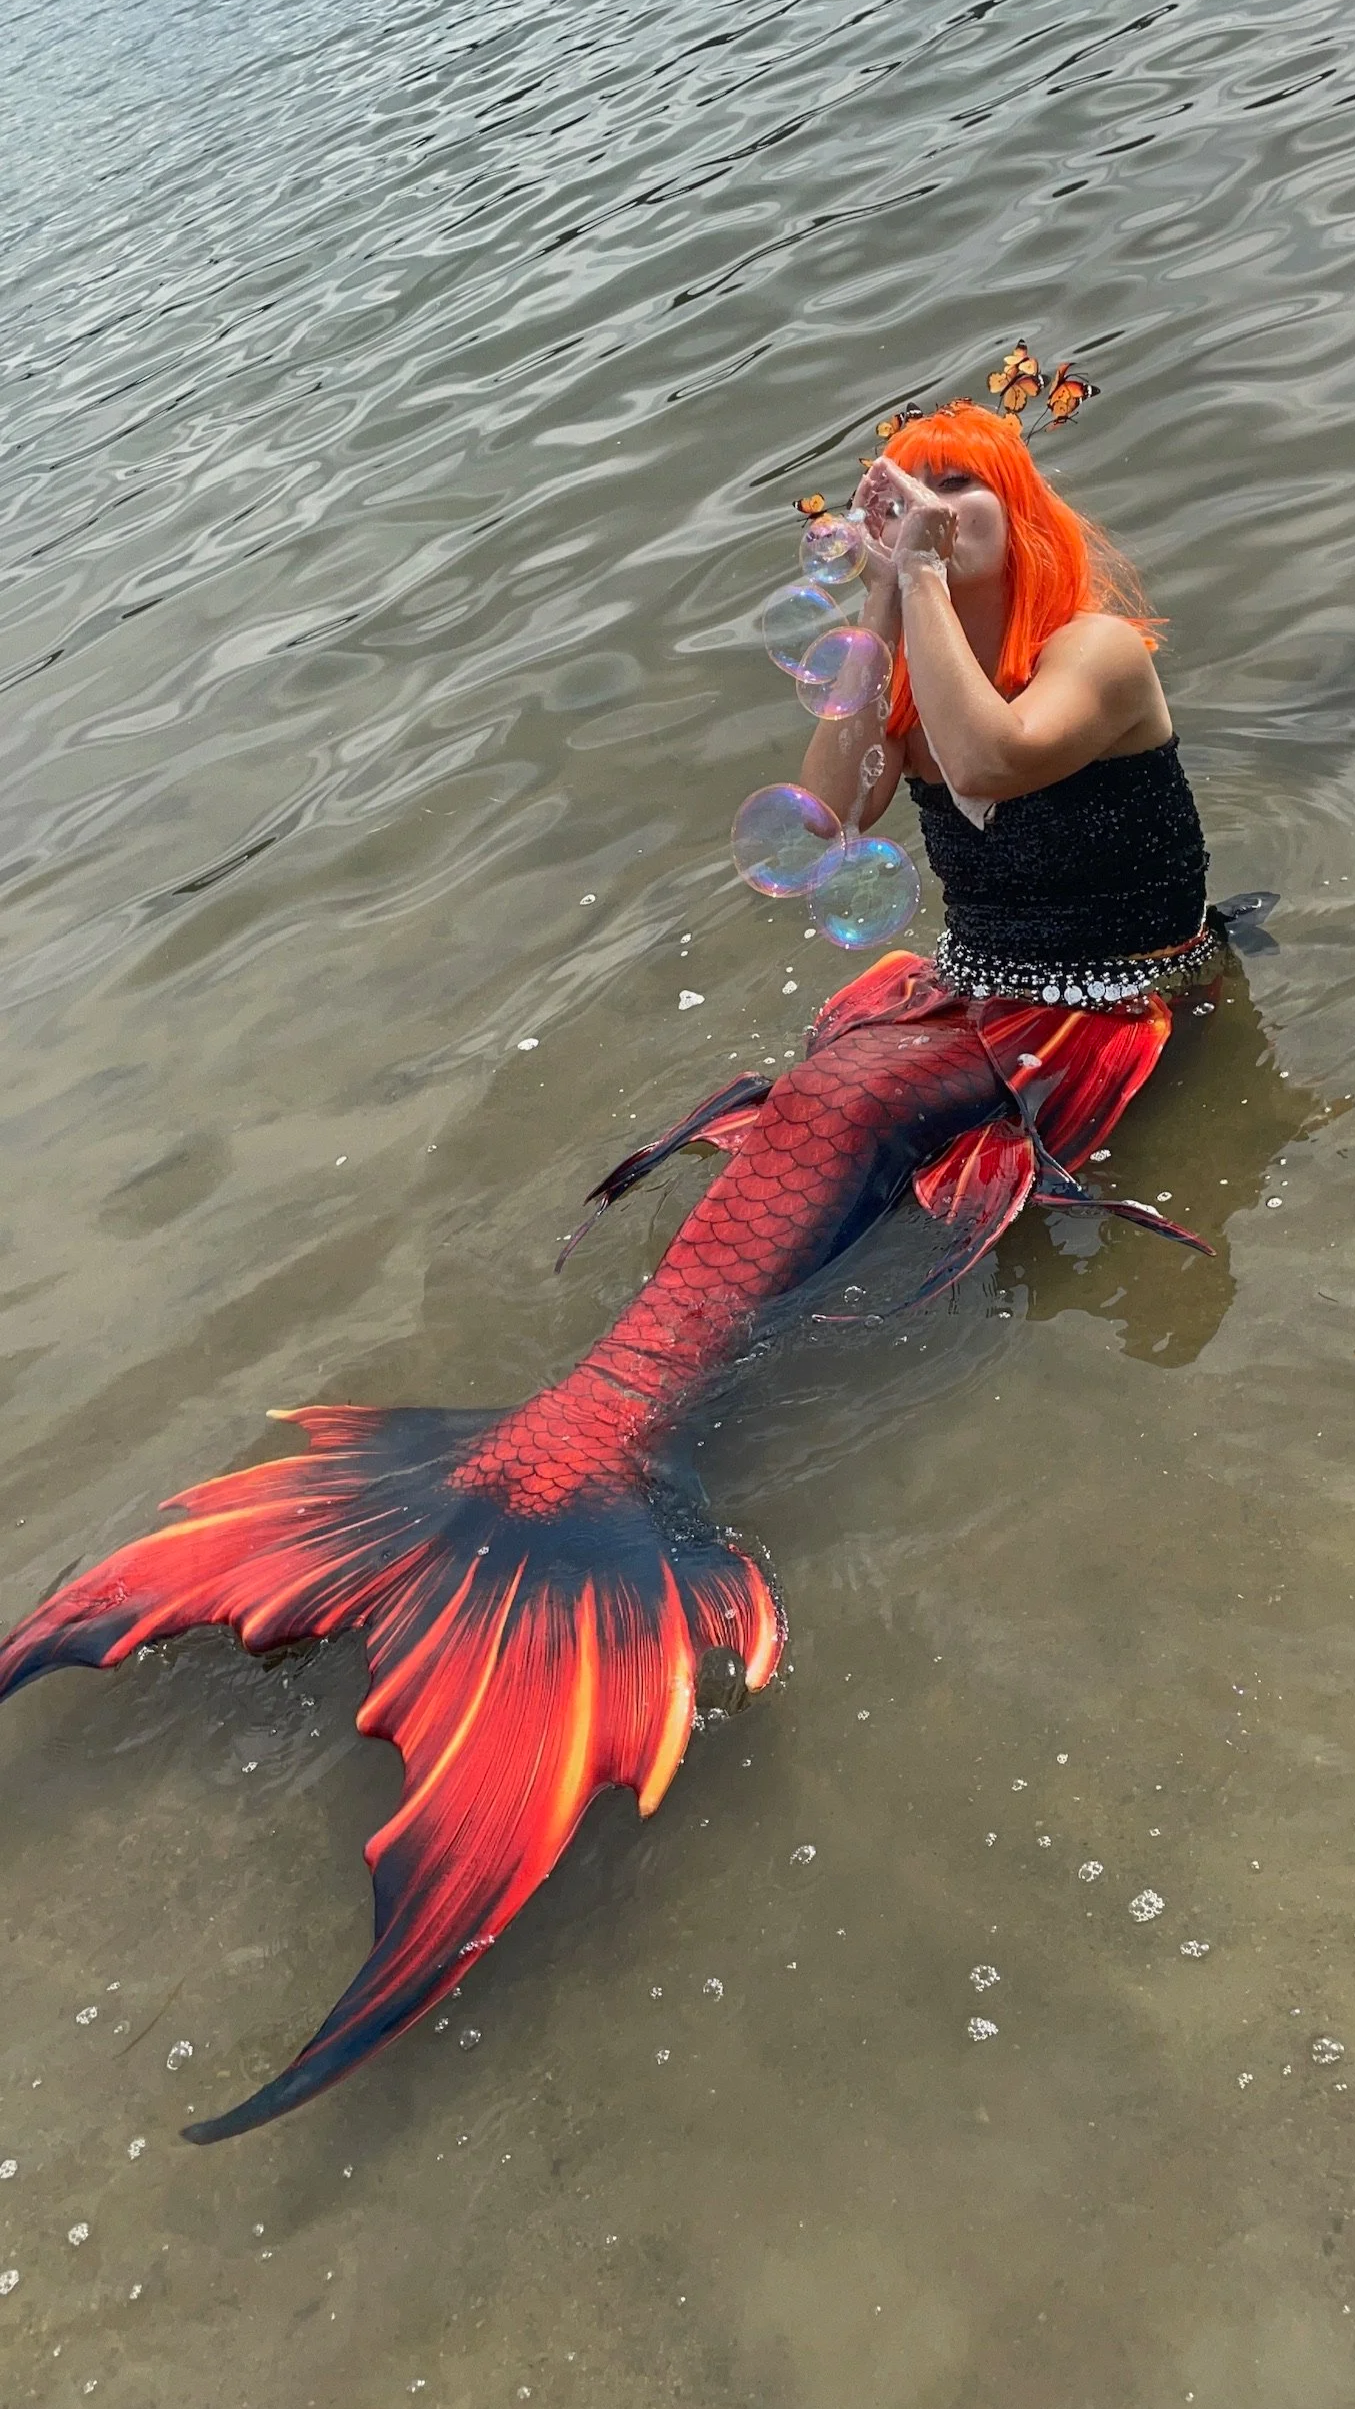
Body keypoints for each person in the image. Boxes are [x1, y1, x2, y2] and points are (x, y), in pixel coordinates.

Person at [799, 398, 1221, 1010]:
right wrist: (883, 604)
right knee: (799, 1105)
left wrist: (921, 573)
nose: (926, 507)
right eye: (904, 498)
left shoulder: (1101, 649)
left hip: (1134, 991)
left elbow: (986, 766)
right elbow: (831, 817)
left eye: (953, 483)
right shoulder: (905, 686)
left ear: (1015, 509)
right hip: (970, 986)